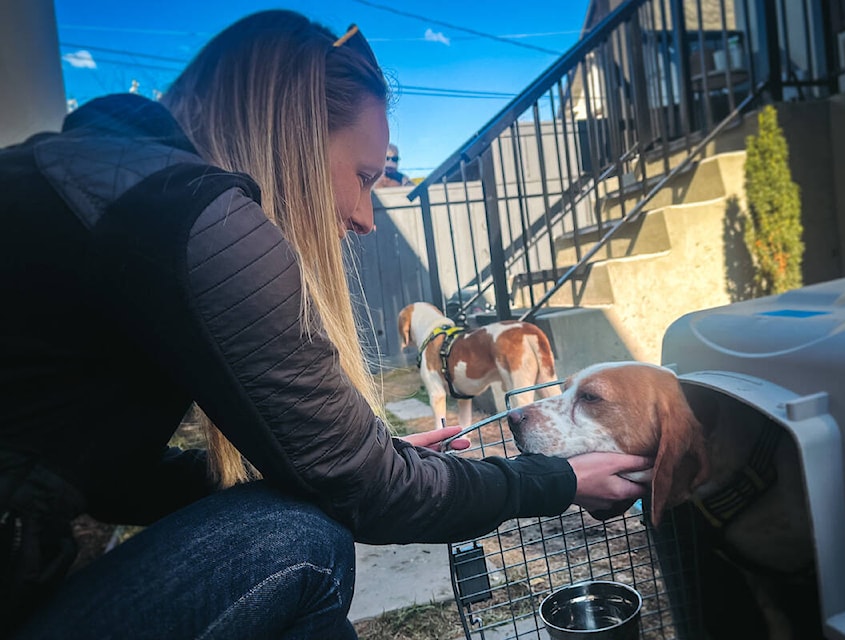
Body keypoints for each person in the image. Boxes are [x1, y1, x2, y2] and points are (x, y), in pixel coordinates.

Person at [0, 10, 651, 639]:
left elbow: (111, 479)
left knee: (296, 508)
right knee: (302, 536)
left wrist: (331, 470)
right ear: (292, 141)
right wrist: (560, 480)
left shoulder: (103, 185)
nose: (368, 217)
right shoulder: (189, 213)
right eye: (365, 176)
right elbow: (369, 495)